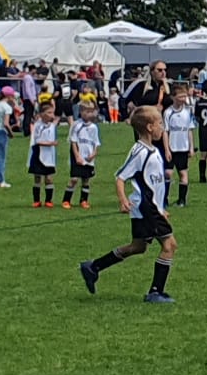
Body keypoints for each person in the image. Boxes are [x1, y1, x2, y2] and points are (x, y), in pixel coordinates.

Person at [77, 105, 179, 303]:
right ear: (149, 127)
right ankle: (155, 292)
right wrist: (123, 200)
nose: (162, 127)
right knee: (169, 245)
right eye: (159, 123)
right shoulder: (140, 152)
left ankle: (93, 267)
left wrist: (161, 208)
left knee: (138, 246)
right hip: (146, 208)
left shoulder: (153, 150)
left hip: (151, 208)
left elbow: (154, 184)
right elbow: (120, 177)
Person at [62, 100, 101, 209]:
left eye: (90, 112)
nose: (88, 114)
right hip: (78, 156)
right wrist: (77, 156)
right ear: (81, 112)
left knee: (86, 179)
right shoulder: (76, 125)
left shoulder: (94, 127)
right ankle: (66, 200)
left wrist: (93, 154)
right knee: (74, 179)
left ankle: (84, 200)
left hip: (88, 157)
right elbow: (73, 141)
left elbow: (96, 143)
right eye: (86, 111)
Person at [164, 86, 196, 206]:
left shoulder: (187, 112)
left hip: (183, 148)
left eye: (184, 96)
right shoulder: (168, 112)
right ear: (173, 97)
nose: (183, 99)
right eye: (180, 96)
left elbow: (189, 130)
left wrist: (191, 148)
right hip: (172, 148)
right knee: (168, 173)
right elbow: (165, 132)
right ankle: (164, 199)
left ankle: (181, 200)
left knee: (183, 173)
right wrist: (167, 149)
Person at [28, 101, 60, 208]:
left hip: (49, 155)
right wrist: (51, 143)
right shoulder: (38, 126)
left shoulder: (52, 126)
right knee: (37, 177)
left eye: (52, 112)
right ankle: (36, 200)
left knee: (49, 178)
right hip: (39, 153)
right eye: (49, 113)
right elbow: (37, 141)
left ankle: (48, 200)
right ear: (42, 114)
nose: (52, 115)